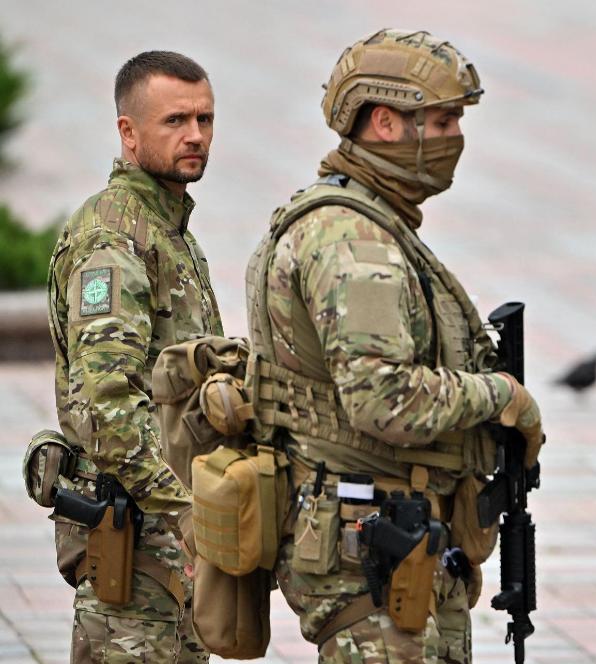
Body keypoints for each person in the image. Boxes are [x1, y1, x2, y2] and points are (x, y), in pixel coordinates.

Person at [243, 29, 543, 663]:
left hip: (393, 530)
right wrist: (502, 396)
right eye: (442, 120)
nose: (454, 137)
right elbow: (383, 400)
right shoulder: (354, 242)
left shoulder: (369, 221)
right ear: (384, 122)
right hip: (368, 541)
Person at [46, 51, 219, 662]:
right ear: (128, 132)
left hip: (171, 540)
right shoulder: (114, 235)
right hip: (139, 543)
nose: (195, 135)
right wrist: (189, 516)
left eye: (204, 118)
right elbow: (108, 405)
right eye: (175, 120)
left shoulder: (167, 226)